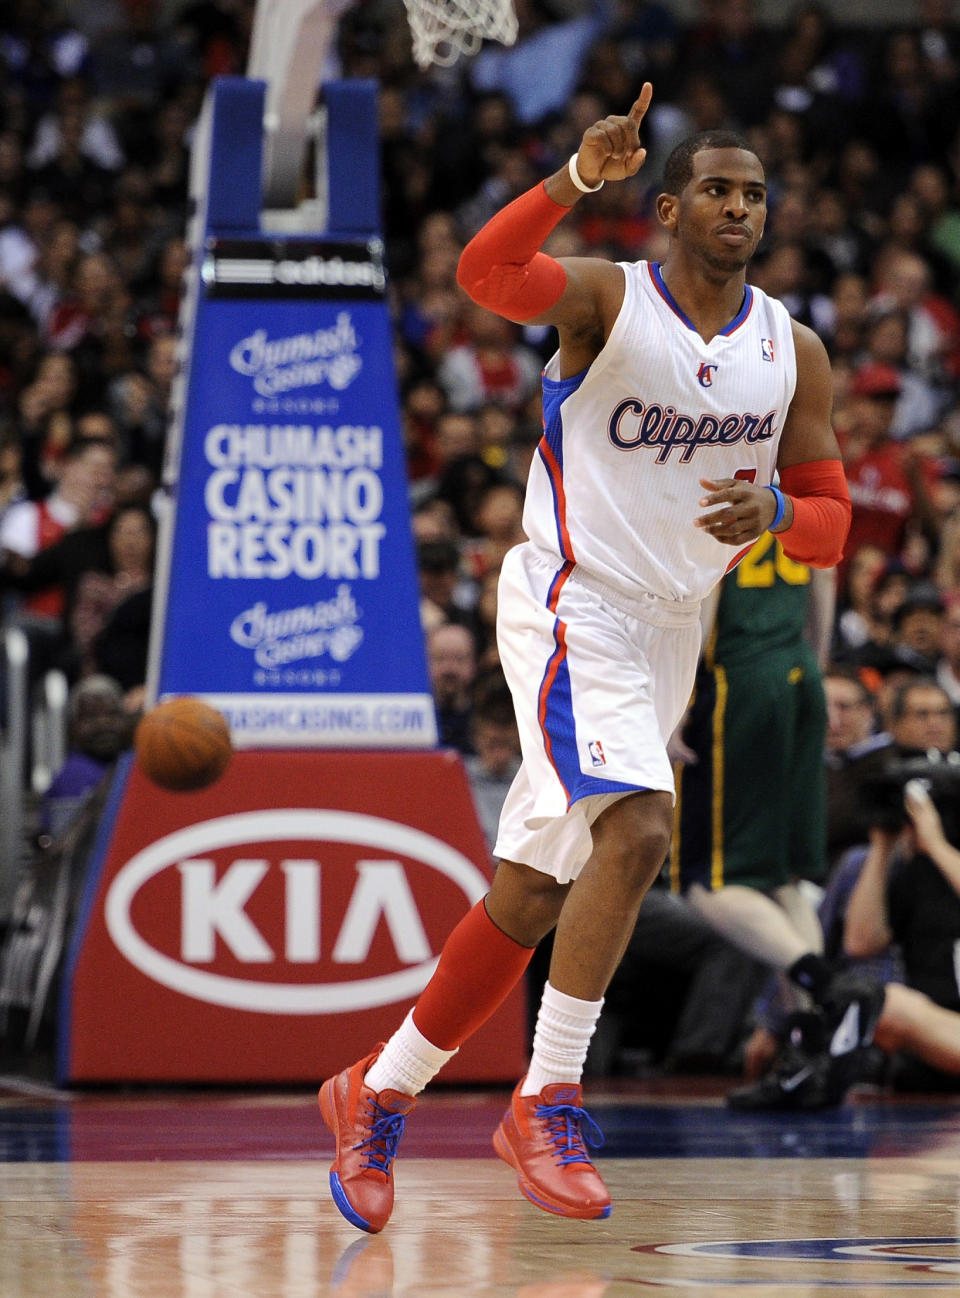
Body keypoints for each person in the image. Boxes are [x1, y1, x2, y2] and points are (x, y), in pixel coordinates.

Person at [319, 85, 851, 1231]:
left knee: (532, 890)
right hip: (574, 600)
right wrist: (570, 180)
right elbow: (481, 276)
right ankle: (546, 1093)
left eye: (754, 195)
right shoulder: (612, 299)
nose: (737, 208)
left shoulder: (789, 347)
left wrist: (775, 516)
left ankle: (376, 1087)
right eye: (715, 187)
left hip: (670, 627)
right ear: (668, 205)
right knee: (644, 829)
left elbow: (832, 519)